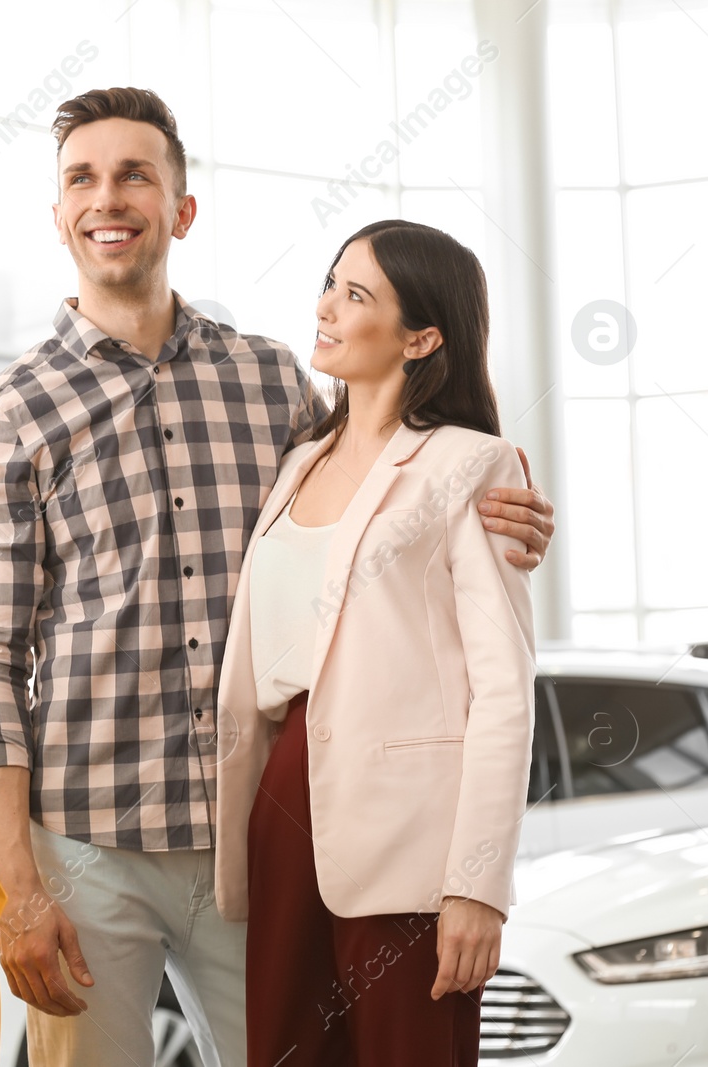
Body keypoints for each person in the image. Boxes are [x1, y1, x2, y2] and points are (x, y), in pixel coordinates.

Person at [0, 87, 554, 1067]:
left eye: (136, 173)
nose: (109, 196)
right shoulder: (6, 413)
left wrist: (504, 512)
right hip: (86, 850)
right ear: (58, 215)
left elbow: (377, 510)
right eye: (82, 179)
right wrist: (18, 885)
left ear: (181, 210)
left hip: (259, 845)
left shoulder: (273, 381)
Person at [213, 220, 535, 1066]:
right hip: (284, 808)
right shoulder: (296, 467)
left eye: (357, 295)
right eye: (330, 282)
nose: (326, 307)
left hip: (410, 836)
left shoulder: (471, 464)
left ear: (423, 337)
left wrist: (476, 882)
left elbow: (504, 690)